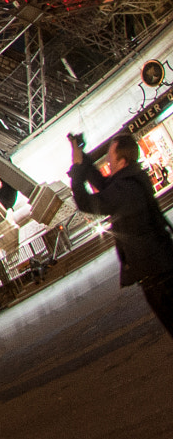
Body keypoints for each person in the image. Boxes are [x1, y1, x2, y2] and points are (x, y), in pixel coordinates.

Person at [70, 132, 173, 337]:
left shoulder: (125, 190)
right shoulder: (130, 180)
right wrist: (82, 157)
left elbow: (86, 202)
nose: (108, 159)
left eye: (110, 155)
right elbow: (103, 183)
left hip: (159, 276)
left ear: (122, 160)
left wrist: (77, 170)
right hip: (160, 269)